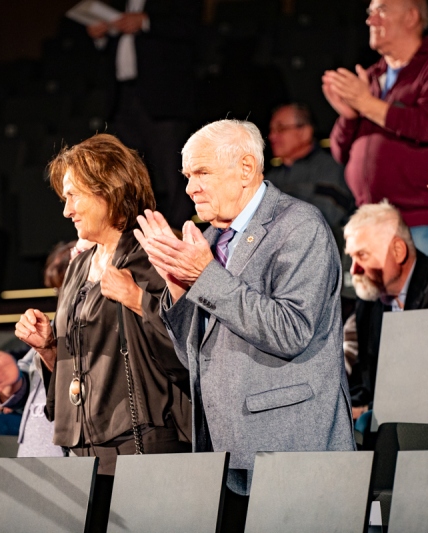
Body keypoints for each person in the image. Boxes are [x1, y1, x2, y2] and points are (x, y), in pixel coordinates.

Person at [134, 119, 355, 505]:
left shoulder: (299, 226)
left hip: (289, 448)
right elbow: (195, 357)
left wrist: (204, 276)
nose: (190, 188)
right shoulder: (207, 240)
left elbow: (291, 331)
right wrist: (176, 285)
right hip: (225, 450)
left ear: (246, 169)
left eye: (201, 173)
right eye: (187, 176)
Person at [14, 134, 191, 476]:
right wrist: (49, 349)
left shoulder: (156, 252)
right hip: (85, 445)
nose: (66, 211)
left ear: (107, 190)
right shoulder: (78, 266)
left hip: (144, 443)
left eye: (73, 197)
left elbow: (190, 350)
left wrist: (138, 301)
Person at [324, 0, 428, 264]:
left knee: (425, 304)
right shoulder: (372, 76)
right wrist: (349, 115)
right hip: (372, 222)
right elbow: (340, 151)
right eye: (369, 12)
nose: (371, 20)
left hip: (422, 223)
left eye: (382, 10)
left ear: (411, 16)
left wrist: (365, 103)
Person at [0, 241, 89, 491]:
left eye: (66, 286)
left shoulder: (91, 323)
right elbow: (25, 373)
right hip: (34, 449)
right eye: (57, 290)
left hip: (61, 454)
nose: (62, 296)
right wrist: (12, 385)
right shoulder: (53, 324)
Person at [342, 201, 428, 426]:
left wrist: (369, 410)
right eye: (352, 257)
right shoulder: (370, 299)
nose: (353, 269)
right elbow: (366, 382)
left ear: (398, 250)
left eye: (362, 256)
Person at [87, 0, 202, 229]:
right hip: (124, 96)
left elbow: (192, 28)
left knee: (173, 171)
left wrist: (147, 22)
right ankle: (141, 236)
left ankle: (180, 234)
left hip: (163, 97)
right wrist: (101, 35)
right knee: (130, 173)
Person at [266, 103, 354, 236]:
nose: (272, 136)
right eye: (271, 130)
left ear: (305, 132)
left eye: (280, 129)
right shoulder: (271, 177)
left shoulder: (330, 168)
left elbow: (320, 219)